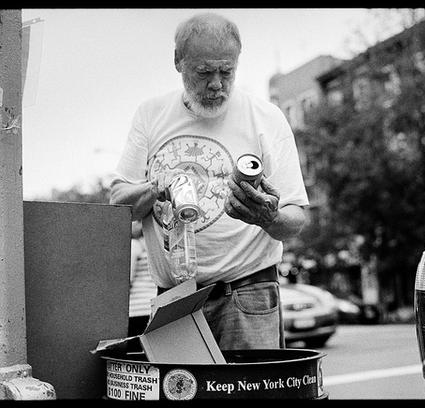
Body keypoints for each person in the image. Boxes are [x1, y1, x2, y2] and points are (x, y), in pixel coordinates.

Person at [109, 12, 308, 350]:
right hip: (174, 300)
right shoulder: (151, 114)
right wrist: (158, 186)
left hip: (247, 293)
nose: (216, 84)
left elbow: (297, 220)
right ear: (178, 61)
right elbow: (117, 207)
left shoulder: (266, 118)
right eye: (204, 72)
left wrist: (268, 217)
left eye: (226, 71)